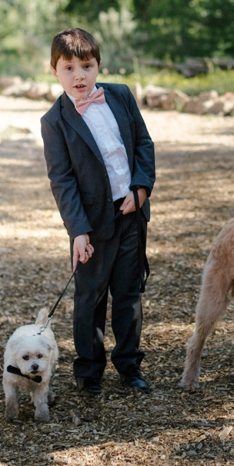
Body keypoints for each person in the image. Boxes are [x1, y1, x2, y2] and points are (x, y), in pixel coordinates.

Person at [40, 28, 156, 397]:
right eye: (69, 67)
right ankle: (89, 371)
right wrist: (78, 231)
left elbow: (143, 144)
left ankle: (129, 366)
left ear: (98, 66)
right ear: (54, 71)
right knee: (89, 299)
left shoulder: (120, 95)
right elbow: (63, 180)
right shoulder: (54, 122)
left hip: (131, 211)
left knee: (128, 293)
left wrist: (140, 189)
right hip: (91, 222)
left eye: (86, 66)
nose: (79, 76)